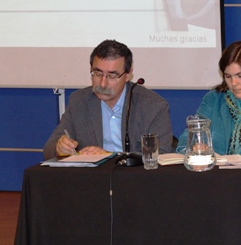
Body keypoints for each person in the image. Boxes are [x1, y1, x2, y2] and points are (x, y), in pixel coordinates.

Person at [43, 39, 173, 159]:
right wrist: (59, 148)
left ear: (128, 75)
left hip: (135, 181)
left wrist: (110, 157)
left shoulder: (153, 106)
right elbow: (49, 149)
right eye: (98, 73)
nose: (103, 83)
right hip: (92, 181)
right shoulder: (79, 101)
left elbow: (161, 156)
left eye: (112, 75)